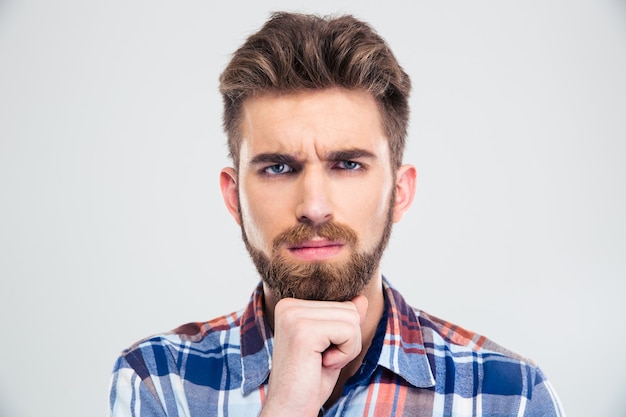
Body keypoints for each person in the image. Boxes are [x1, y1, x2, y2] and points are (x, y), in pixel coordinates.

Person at [109, 12, 565, 417]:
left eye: (348, 165)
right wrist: (286, 408)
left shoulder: (509, 398)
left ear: (400, 192)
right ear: (234, 197)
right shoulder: (160, 382)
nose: (313, 207)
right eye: (278, 167)